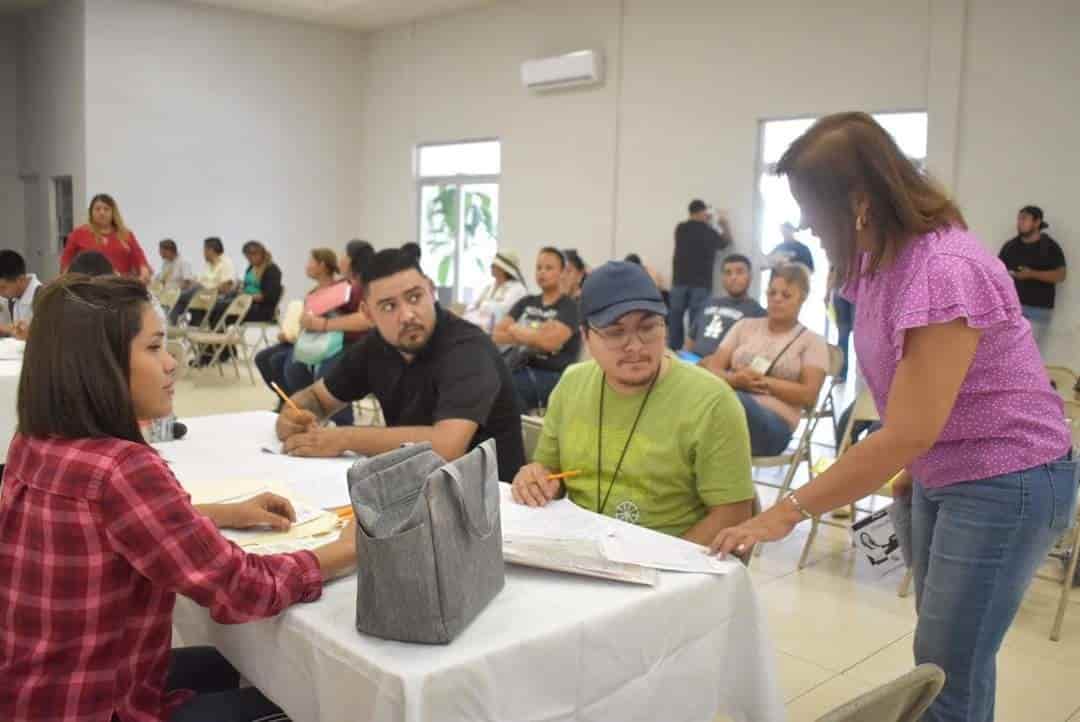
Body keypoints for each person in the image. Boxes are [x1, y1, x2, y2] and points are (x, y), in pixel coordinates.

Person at [709, 112, 1076, 722]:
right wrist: (914, 466)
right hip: (944, 469)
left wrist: (785, 511)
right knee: (945, 660)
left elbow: (909, 428)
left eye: (810, 207)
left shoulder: (942, 267)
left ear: (859, 203)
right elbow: (905, 393)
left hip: (1005, 478)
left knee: (946, 672)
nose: (803, 224)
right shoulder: (873, 264)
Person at [0, 274, 357, 722]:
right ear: (99, 365)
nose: (171, 364)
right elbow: (241, 586)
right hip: (99, 704)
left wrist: (224, 512)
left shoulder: (33, 441)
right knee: (307, 698)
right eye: (153, 348)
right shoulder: (122, 469)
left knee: (223, 664)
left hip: (36, 693)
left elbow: (98, 521)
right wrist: (343, 550)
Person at [511, 261, 755, 544]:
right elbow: (548, 470)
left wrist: (663, 567)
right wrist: (536, 477)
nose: (636, 346)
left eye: (649, 327)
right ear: (586, 337)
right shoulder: (571, 383)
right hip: (577, 548)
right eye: (615, 333)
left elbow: (733, 514)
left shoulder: (712, 401)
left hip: (668, 563)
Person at [274, 248, 526, 481]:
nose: (407, 315)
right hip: (414, 486)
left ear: (431, 290)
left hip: (491, 500)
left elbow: (446, 447)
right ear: (368, 313)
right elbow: (318, 398)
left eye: (415, 297)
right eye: (389, 306)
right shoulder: (375, 346)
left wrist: (343, 437)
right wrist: (292, 413)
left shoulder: (469, 349)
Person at [702, 264, 828, 457]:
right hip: (729, 407)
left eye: (786, 295)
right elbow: (712, 369)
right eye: (772, 293)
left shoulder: (812, 341)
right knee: (695, 390)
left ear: (802, 299)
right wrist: (735, 380)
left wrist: (762, 382)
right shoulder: (744, 326)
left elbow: (809, 396)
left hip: (773, 425)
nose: (777, 299)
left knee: (730, 401)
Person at [493, 247, 582, 411]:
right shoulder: (527, 302)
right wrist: (537, 333)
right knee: (484, 380)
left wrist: (515, 329)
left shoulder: (570, 307)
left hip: (553, 375)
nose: (542, 273)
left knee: (506, 390)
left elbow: (550, 343)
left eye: (549, 268)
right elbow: (497, 334)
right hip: (518, 366)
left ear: (562, 272)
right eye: (539, 268)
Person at [998, 205, 1067, 353]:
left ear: (1037, 222)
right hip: (1012, 309)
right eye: (1019, 219)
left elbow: (1060, 275)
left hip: (1038, 310)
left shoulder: (1050, 247)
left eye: (1024, 219)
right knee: (1007, 353)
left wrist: (1032, 274)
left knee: (1029, 354)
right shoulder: (1011, 246)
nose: (1019, 222)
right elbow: (997, 271)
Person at [669, 199, 731, 350]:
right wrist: (723, 223)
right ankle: (692, 353)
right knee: (697, 321)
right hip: (701, 283)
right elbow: (725, 242)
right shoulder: (708, 231)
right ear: (702, 212)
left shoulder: (680, 228)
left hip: (680, 281)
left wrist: (707, 222)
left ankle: (673, 351)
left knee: (675, 318)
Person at [686, 254, 767, 358]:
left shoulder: (758, 313)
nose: (733, 277)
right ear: (723, 278)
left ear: (750, 276)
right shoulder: (709, 303)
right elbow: (691, 339)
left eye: (740, 272)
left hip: (720, 370)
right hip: (692, 364)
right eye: (728, 273)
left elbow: (751, 354)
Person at [60, 193, 152, 282]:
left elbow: (140, 258)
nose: (102, 212)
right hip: (88, 291)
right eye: (97, 209)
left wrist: (144, 271)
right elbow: (66, 263)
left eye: (106, 209)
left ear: (113, 212)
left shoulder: (126, 235)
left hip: (121, 289)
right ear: (91, 212)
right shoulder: (78, 234)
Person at [168, 237, 236, 324]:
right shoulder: (208, 264)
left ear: (210, 250)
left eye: (204, 250)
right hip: (202, 295)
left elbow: (227, 286)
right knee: (183, 298)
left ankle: (170, 320)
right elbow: (199, 281)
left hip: (216, 297)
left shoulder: (226, 262)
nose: (203, 253)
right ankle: (173, 324)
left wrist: (208, 291)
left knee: (182, 296)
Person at [463, 250, 529, 333]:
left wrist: (483, 310)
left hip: (502, 337)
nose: (491, 266)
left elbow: (502, 312)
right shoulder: (489, 287)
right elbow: (474, 305)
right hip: (481, 331)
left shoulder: (517, 289)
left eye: (494, 265)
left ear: (504, 269)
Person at [0, 250, 41, 340]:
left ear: (20, 279)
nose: (0, 293)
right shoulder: (12, 297)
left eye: (3, 287)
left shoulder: (43, 299)